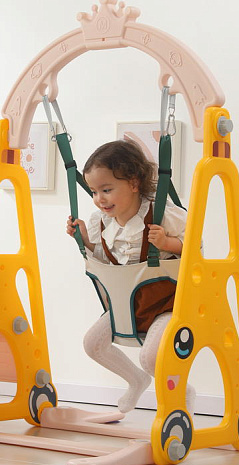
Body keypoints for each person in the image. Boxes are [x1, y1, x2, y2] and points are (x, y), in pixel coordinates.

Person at [66, 139, 196, 414]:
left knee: (151, 358)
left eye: (106, 190)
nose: (99, 199)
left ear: (134, 183)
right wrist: (86, 241)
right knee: (92, 344)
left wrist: (168, 244)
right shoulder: (102, 221)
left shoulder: (162, 214)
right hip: (126, 304)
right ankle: (136, 380)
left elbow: (196, 250)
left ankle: (183, 394)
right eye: (94, 191)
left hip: (165, 304)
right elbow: (106, 259)